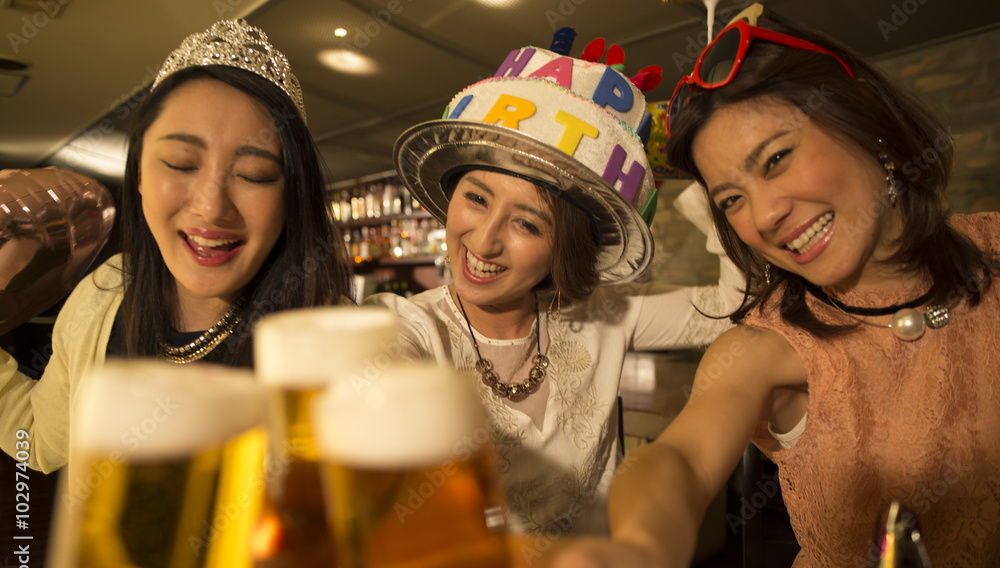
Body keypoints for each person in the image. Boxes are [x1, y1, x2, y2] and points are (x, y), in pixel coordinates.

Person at [517, 5, 1000, 568]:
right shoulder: (763, 349)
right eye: (731, 200)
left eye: (776, 158)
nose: (765, 216)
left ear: (870, 130)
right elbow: (679, 460)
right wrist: (639, 554)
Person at [363, 31, 742, 537]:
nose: (485, 240)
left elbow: (729, 306)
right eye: (476, 198)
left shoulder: (600, 316)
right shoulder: (410, 326)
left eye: (527, 224)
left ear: (565, 249)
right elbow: (373, 380)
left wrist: (711, 177)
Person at [0, 19, 353, 472]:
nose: (210, 208)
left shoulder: (340, 339)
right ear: (141, 176)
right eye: (181, 164)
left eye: (254, 175)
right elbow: (42, 442)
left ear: (291, 197)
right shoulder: (103, 297)